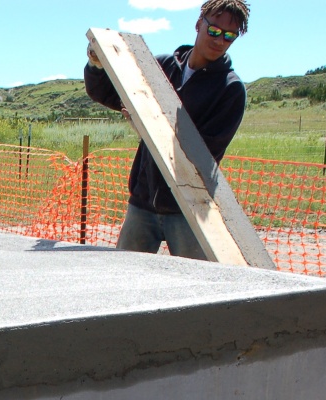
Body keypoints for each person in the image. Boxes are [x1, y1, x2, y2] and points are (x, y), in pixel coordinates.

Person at [84, 0, 250, 259]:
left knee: (192, 287)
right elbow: (105, 92)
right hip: (143, 201)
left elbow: (205, 154)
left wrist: (148, 125)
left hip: (189, 209)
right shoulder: (159, 66)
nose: (219, 40)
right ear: (198, 24)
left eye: (229, 36)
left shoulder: (230, 89)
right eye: (214, 30)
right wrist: (97, 63)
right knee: (124, 280)